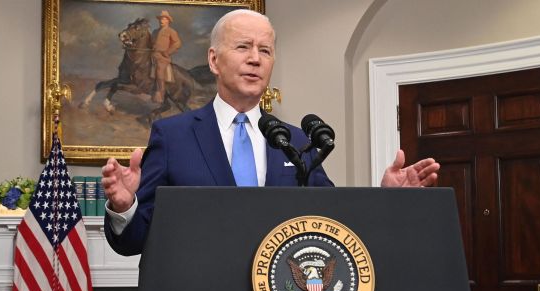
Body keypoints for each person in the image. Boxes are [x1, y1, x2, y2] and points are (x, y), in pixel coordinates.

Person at [102, 9, 439, 256]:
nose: (255, 59)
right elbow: (134, 242)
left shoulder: (295, 141)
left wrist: (387, 199)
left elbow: (333, 224)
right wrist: (125, 205)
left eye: (265, 50)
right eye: (243, 47)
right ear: (214, 60)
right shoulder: (172, 136)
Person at [151, 10, 182, 103]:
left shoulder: (171, 31)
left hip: (163, 57)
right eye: (161, 19)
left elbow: (177, 43)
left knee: (159, 71)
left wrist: (168, 52)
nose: (161, 21)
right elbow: (151, 43)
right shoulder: (155, 32)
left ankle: (160, 94)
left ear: (168, 20)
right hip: (152, 55)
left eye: (164, 19)